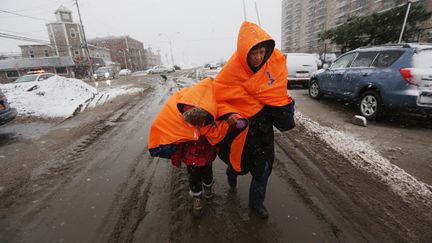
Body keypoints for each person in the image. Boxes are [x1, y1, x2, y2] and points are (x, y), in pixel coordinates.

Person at [213, 21, 295, 219]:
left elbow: (277, 93)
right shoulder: (231, 72)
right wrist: (228, 115)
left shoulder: (271, 68)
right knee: (238, 163)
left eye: (261, 52)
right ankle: (231, 174)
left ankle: (256, 203)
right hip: (242, 131)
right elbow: (218, 98)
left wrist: (279, 106)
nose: (258, 57)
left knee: (263, 169)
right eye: (254, 52)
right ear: (244, 52)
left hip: (264, 131)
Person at [148, 78, 231, 218]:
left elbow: (218, 131)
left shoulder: (211, 119)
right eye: (195, 122)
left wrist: (228, 123)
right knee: (193, 179)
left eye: (201, 121)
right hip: (190, 157)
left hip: (207, 156)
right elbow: (172, 133)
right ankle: (197, 198)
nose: (198, 124)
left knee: (207, 175)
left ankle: (208, 188)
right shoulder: (181, 122)